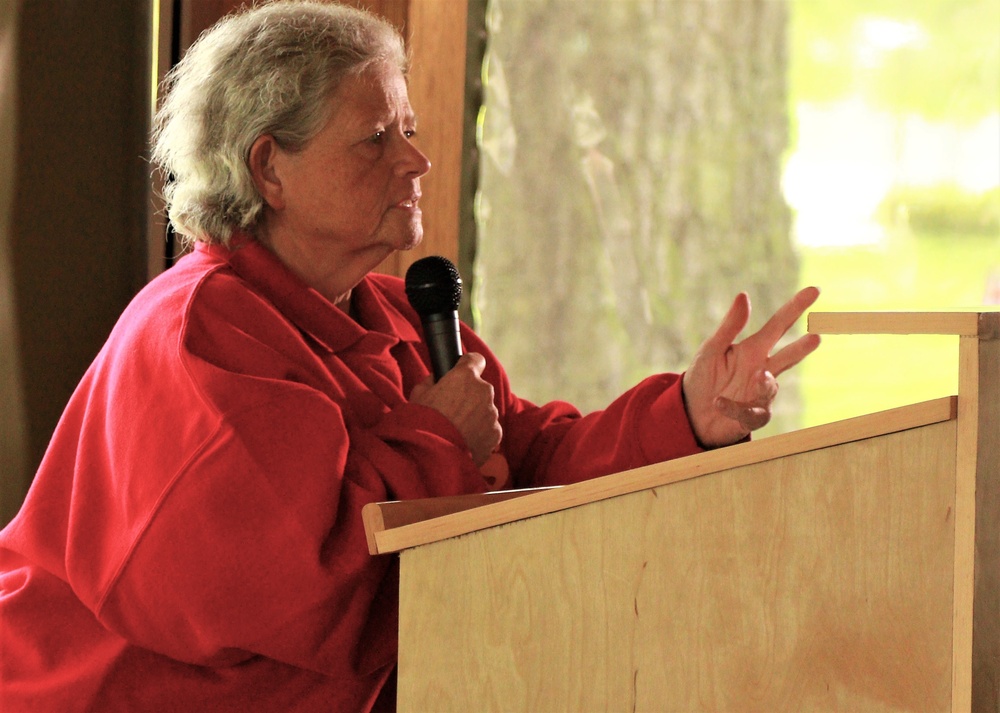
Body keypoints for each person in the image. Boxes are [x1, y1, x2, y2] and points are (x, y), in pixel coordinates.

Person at [0, 1, 820, 711]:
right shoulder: (201, 333)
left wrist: (684, 413)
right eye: (374, 139)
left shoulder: (401, 313)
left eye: (412, 130)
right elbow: (298, 594)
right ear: (268, 168)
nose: (417, 162)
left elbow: (524, 459)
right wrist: (436, 439)